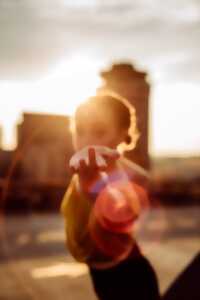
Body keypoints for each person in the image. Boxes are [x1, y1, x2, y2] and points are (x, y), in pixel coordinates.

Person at [61, 93, 160, 299]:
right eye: (80, 131)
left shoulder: (113, 173)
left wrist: (92, 189)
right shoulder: (87, 170)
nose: (87, 140)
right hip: (104, 276)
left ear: (123, 134)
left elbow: (123, 212)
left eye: (99, 131)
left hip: (129, 281)